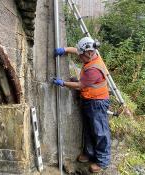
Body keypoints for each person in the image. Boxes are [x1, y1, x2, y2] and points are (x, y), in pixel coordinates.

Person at [53, 37, 111, 173]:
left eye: (81, 56)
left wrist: (63, 83)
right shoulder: (90, 54)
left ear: (89, 53)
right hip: (89, 100)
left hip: (97, 102)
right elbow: (77, 51)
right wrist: (64, 50)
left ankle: (102, 160)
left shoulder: (94, 69)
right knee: (89, 129)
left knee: (100, 131)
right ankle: (89, 153)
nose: (79, 58)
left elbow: (80, 85)